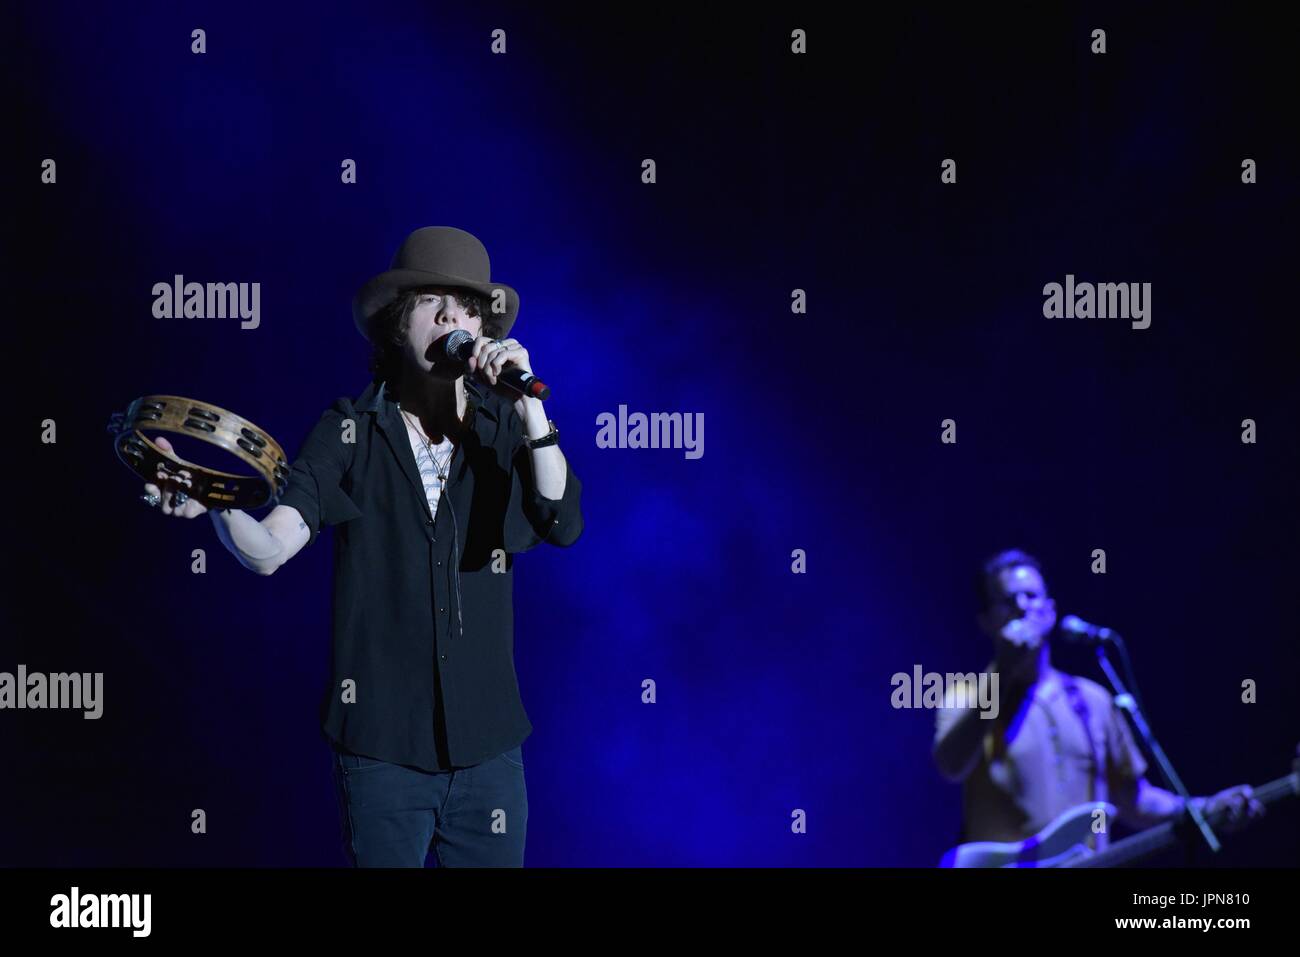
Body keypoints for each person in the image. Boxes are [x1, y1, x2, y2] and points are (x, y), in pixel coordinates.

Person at [140, 226, 584, 866]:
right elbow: (267, 549)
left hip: (489, 754)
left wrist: (532, 414)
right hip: (382, 756)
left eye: (464, 310)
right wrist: (216, 499)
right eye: (431, 305)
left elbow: (561, 521)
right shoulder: (349, 430)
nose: (450, 320)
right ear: (396, 327)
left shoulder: (500, 432)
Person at [932, 548, 1262, 854]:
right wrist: (1004, 669)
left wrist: (1205, 807)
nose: (1022, 606)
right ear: (986, 621)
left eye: (1031, 595)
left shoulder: (1092, 700)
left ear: (1051, 609)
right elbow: (951, 764)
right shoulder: (966, 694)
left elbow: (1134, 800)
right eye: (1007, 600)